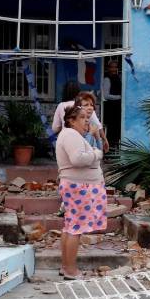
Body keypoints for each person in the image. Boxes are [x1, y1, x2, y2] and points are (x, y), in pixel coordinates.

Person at [56, 104, 107, 279]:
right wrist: (96, 154)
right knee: (75, 229)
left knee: (70, 227)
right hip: (79, 187)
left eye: (88, 118)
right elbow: (77, 159)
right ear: (71, 120)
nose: (87, 121)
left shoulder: (72, 135)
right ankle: (71, 270)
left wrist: (93, 151)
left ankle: (66, 267)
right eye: (83, 118)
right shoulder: (70, 134)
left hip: (77, 185)